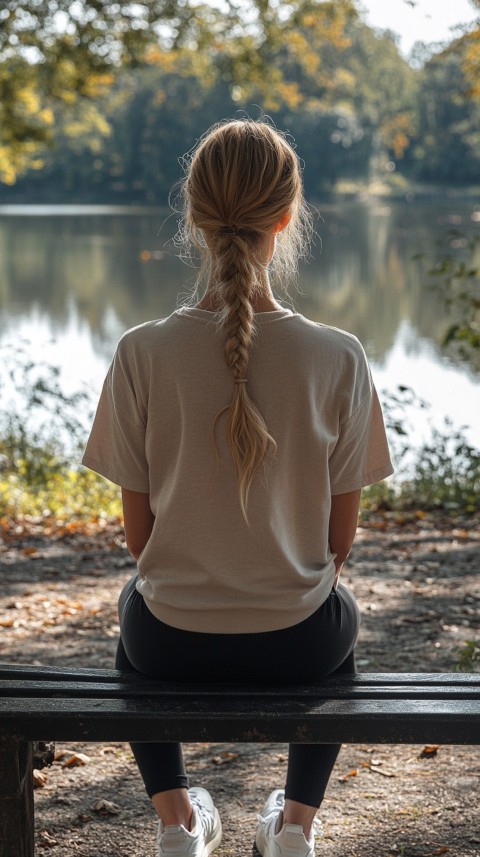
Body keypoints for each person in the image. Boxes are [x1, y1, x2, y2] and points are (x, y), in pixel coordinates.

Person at [82, 118, 394, 857]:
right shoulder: (339, 356)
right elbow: (337, 544)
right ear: (287, 217)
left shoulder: (140, 352)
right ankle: (294, 830)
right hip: (301, 647)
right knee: (341, 615)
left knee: (132, 613)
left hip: (167, 646)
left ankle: (177, 826)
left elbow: (140, 542)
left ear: (192, 214)